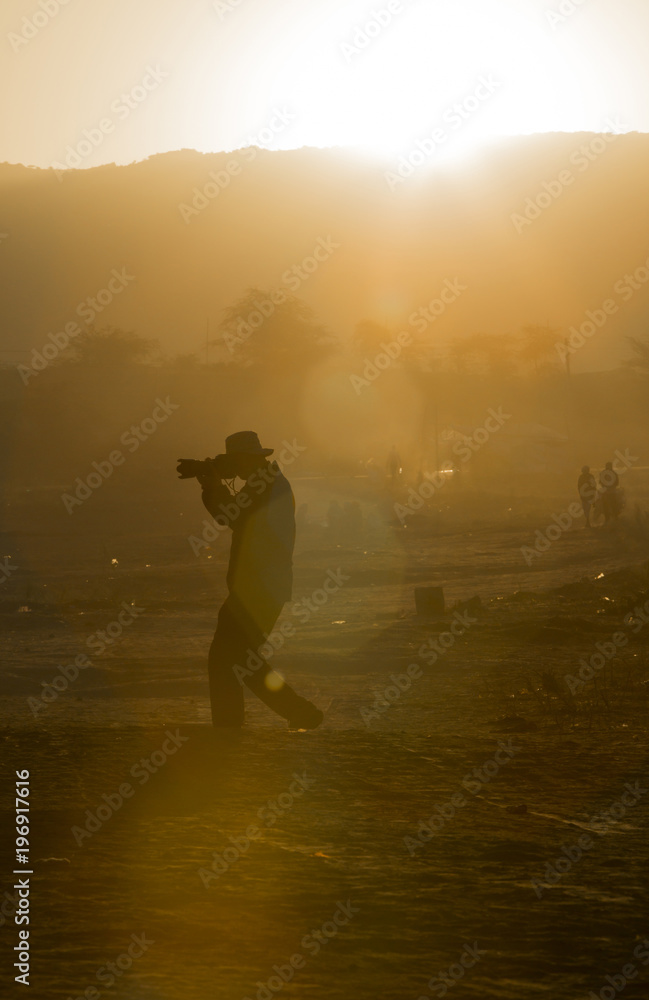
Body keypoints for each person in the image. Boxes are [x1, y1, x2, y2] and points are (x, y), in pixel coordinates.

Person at [189, 431, 323, 730]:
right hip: (264, 584)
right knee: (240, 658)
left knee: (226, 657)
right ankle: (298, 713)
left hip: (256, 585)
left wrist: (210, 482)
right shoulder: (269, 481)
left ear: (246, 460)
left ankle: (231, 728)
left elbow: (230, 514)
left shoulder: (262, 484)